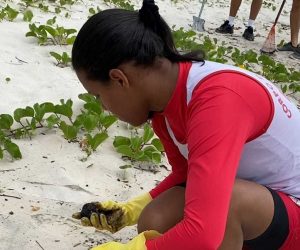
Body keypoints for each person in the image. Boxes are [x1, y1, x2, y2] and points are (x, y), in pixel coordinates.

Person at [71, 0, 300, 249]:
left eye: (98, 96)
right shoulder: (162, 103)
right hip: (265, 204)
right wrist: (131, 210)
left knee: (227, 208)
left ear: (119, 79)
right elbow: (187, 174)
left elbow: (203, 234)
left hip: (292, 210)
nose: (104, 107)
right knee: (154, 218)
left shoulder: (216, 99)